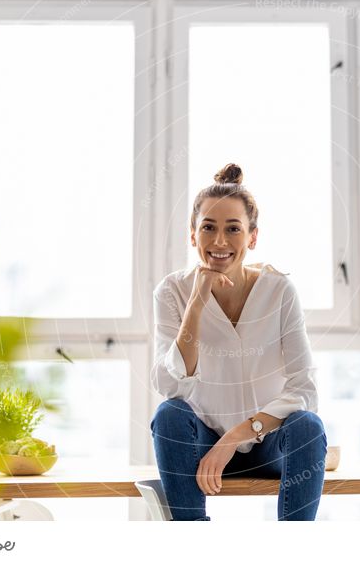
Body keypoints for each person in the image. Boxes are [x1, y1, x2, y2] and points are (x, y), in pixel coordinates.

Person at [149, 163, 328, 521]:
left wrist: (234, 438)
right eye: (208, 228)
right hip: (201, 444)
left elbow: (304, 390)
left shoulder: (279, 291)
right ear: (192, 235)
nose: (219, 242)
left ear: (252, 237)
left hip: (269, 445)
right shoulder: (172, 291)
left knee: (308, 426)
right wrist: (197, 304)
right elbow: (169, 384)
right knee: (169, 415)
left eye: (233, 229)